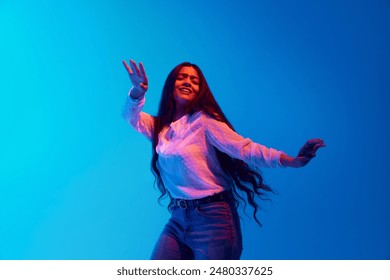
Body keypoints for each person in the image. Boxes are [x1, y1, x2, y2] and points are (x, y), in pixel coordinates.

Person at [122, 59, 325, 260]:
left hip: (213, 220)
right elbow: (130, 117)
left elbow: (245, 149)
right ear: (171, 85)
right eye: (181, 77)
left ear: (200, 90)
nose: (187, 82)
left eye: (194, 80)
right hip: (178, 218)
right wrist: (137, 91)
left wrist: (292, 160)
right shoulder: (160, 128)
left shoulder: (204, 122)